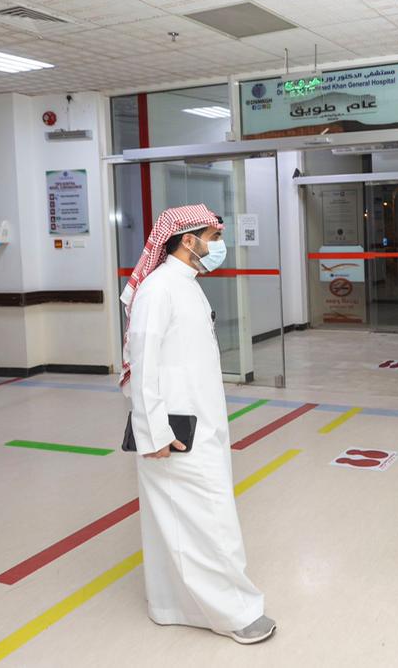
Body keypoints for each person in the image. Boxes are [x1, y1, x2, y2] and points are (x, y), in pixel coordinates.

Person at [119, 204, 276, 645]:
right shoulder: (158, 289)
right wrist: (153, 434)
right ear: (188, 241)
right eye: (213, 236)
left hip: (198, 422)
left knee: (187, 521)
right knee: (209, 520)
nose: (218, 245)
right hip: (173, 432)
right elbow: (143, 367)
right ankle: (233, 612)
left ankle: (175, 607)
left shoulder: (186, 284)